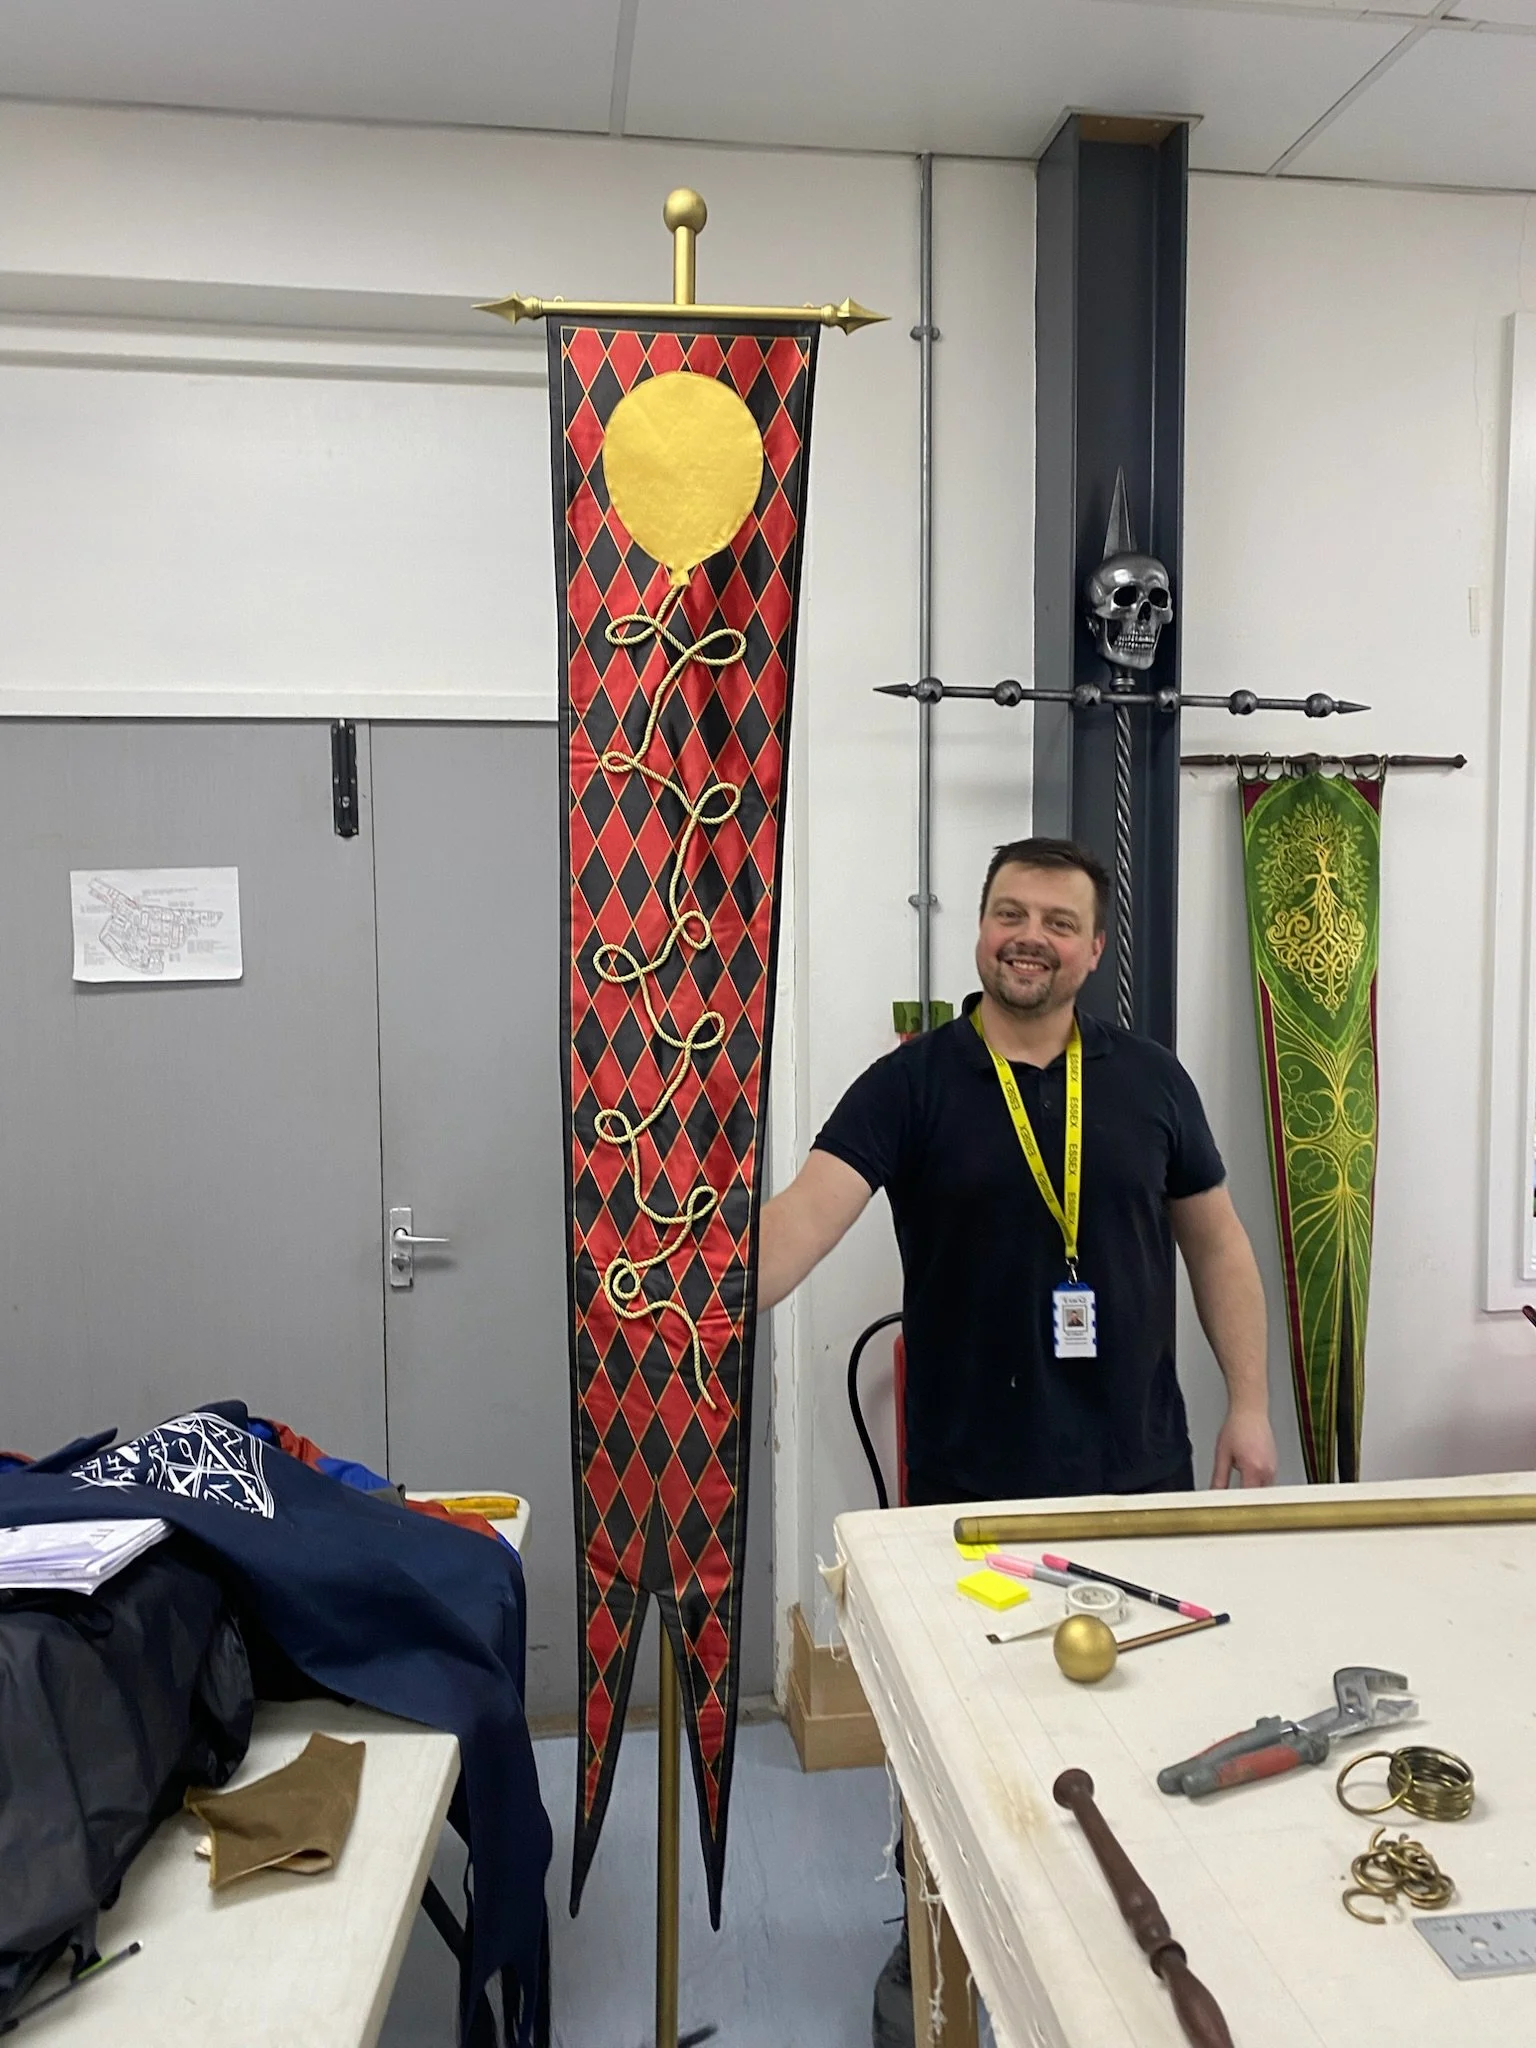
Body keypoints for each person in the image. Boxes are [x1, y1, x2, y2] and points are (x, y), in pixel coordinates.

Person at [757, 835, 1276, 2048]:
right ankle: (932, 1934)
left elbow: (1219, 1244)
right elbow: (802, 1220)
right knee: (955, 1739)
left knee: (1134, 1720)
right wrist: (684, 1305)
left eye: (1057, 919)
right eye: (1009, 912)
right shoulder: (912, 1083)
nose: (1028, 935)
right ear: (982, 929)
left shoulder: (1152, 1081)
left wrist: (1250, 1401)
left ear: (1093, 950)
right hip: (968, 1491)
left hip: (1135, 1474)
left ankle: (1126, 1928)